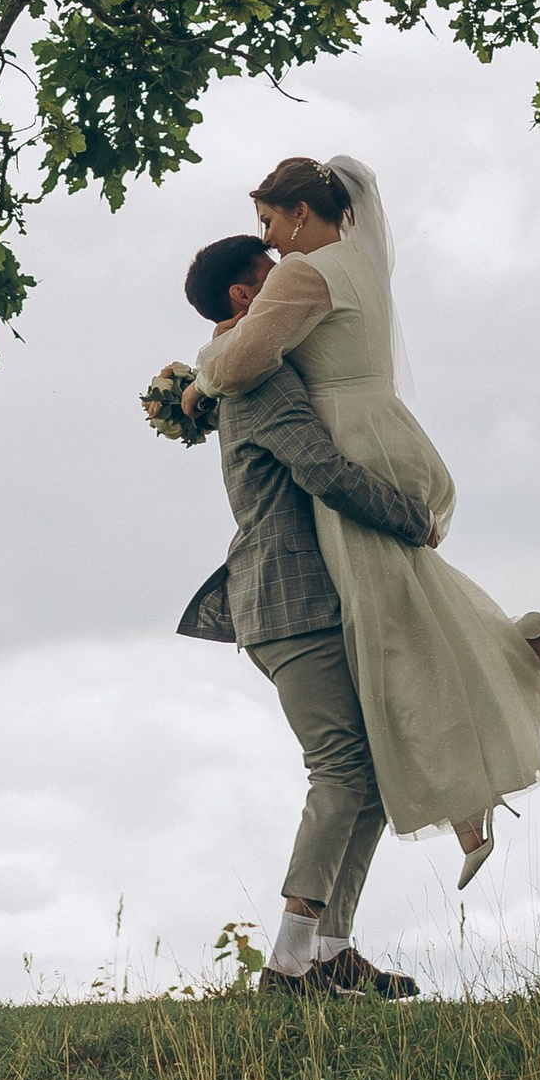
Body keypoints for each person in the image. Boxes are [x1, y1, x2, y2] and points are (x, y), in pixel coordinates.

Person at [193, 154, 540, 887]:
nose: (272, 241)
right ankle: (522, 655)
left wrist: (197, 371)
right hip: (385, 428)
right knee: (410, 611)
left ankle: (476, 773)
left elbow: (246, 359)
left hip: (346, 444)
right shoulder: (362, 264)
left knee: (393, 642)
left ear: (301, 214)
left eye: (271, 222)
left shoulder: (300, 274)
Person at [174, 231, 436, 996]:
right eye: (273, 275)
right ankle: (290, 961)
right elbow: (320, 469)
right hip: (288, 600)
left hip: (300, 598)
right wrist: (410, 517)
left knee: (373, 776)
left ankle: (329, 950)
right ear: (243, 298)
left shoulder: (234, 370)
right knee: (343, 765)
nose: (292, 284)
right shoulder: (258, 378)